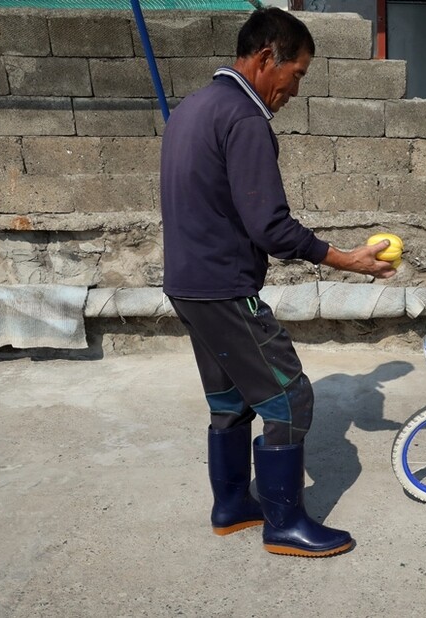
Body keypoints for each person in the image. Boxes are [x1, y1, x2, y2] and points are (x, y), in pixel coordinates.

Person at [159, 8, 396, 559]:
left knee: (231, 400)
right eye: (299, 74)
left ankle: (232, 506)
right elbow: (269, 226)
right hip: (222, 285)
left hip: (187, 282)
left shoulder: (192, 107)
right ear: (268, 58)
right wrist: (345, 259)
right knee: (290, 399)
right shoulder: (243, 118)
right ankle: (284, 524)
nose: (295, 89)